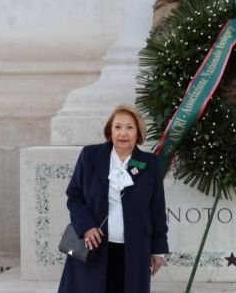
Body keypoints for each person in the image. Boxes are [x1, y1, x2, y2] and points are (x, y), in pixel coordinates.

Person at [58, 105, 169, 293]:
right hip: (95, 247)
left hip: (135, 249)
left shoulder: (149, 163)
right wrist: (86, 227)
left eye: (129, 127)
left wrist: (158, 249)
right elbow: (74, 196)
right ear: (110, 130)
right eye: (117, 127)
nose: (123, 133)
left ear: (138, 132)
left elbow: (157, 208)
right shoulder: (90, 155)